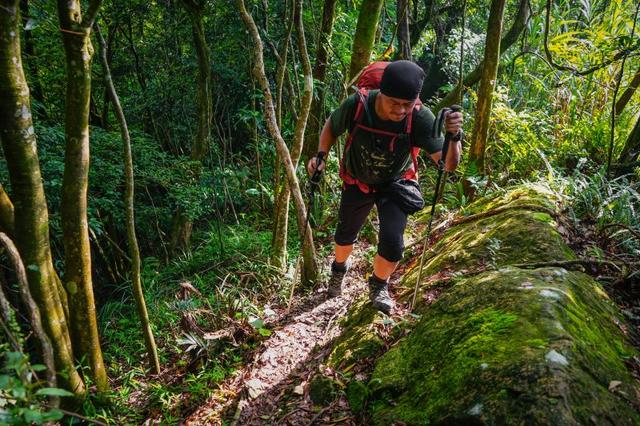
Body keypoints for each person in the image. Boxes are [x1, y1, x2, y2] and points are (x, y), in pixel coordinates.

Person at [307, 60, 463, 314]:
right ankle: (339, 268)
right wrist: (321, 156)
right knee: (345, 236)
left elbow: (447, 164)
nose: (401, 110)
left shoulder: (421, 116)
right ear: (382, 94)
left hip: (397, 183)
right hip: (358, 179)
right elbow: (331, 126)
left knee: (393, 242)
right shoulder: (358, 104)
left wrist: (454, 137)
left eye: (408, 104)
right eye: (394, 103)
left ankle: (379, 285)